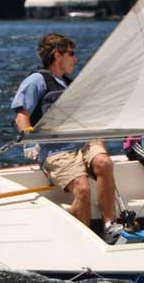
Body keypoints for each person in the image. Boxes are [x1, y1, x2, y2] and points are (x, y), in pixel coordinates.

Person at [12, 33, 123, 244]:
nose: (75, 59)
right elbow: (21, 116)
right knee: (82, 189)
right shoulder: (37, 81)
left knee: (104, 162)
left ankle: (109, 226)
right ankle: (79, 240)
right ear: (57, 55)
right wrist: (30, 141)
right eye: (71, 54)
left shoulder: (70, 85)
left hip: (82, 142)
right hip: (56, 150)